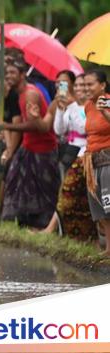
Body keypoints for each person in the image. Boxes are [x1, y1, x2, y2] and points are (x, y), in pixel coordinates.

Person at [0, 60, 59, 229]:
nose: (9, 76)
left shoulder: (30, 94)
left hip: (43, 149)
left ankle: (45, 226)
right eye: (7, 73)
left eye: (12, 73)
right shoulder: (18, 93)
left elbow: (34, 126)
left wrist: (7, 126)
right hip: (28, 147)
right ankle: (18, 223)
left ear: (22, 74)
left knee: (44, 189)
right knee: (14, 183)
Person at [37, 72, 95, 241]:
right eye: (76, 85)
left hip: (85, 153)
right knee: (66, 193)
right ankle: (65, 233)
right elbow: (59, 130)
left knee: (73, 194)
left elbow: (84, 128)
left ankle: (54, 229)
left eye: (83, 85)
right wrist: (62, 109)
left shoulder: (92, 105)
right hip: (68, 152)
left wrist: (74, 108)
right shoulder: (71, 106)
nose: (79, 89)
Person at [82, 70, 110, 255]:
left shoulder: (108, 102)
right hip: (94, 161)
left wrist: (105, 112)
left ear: (102, 85)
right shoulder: (88, 105)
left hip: (108, 161)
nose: (86, 88)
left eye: (90, 84)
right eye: (85, 85)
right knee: (101, 210)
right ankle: (108, 248)